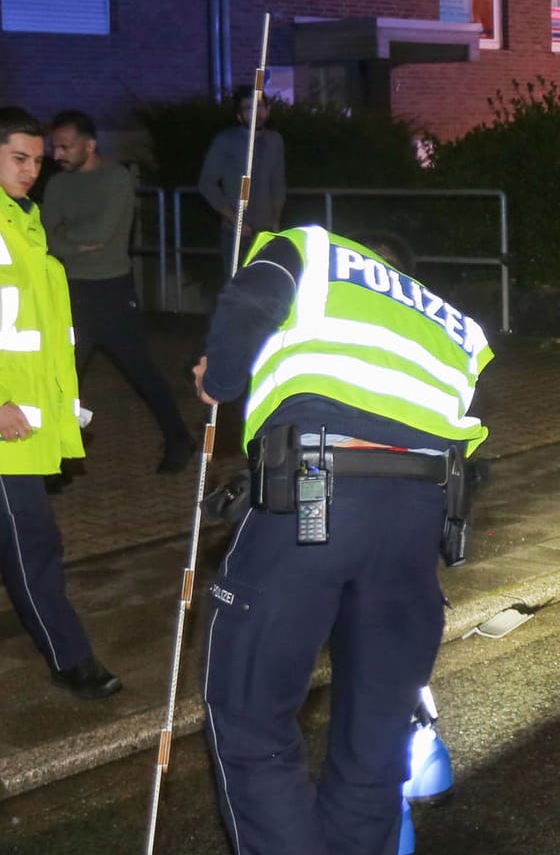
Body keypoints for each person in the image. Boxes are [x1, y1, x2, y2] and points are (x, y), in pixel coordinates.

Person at [194, 224, 492, 854]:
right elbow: (473, 450)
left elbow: (251, 303)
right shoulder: (455, 325)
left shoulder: (309, 249)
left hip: (314, 495)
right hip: (415, 517)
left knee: (252, 721)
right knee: (376, 742)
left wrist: (218, 379)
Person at [0, 107, 122, 700]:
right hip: (4, 428)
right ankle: (71, 658)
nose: (30, 171)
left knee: (29, 541)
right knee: (33, 544)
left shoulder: (25, 224)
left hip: (22, 424)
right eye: (18, 158)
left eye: (37, 162)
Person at [43, 110, 196, 473]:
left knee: (141, 371)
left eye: (65, 146)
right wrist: (69, 244)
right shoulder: (58, 185)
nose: (57, 154)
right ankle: (63, 454)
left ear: (90, 144)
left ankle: (179, 438)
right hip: (71, 292)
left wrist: (66, 241)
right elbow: (44, 236)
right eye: (55, 147)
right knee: (63, 377)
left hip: (112, 292)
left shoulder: (115, 179)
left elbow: (95, 236)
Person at [197, 86, 286, 272]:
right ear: (239, 116)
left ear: (268, 109)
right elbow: (207, 183)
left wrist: (276, 221)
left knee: (266, 286)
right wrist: (234, 219)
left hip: (266, 232)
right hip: (236, 234)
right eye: (248, 108)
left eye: (260, 106)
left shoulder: (275, 141)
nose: (255, 113)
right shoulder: (226, 141)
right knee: (237, 287)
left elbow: (278, 183)